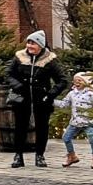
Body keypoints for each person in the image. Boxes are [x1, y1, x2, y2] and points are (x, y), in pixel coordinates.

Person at [7, 29, 68, 169]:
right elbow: (9, 74)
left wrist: (50, 94)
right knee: (20, 127)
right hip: (22, 97)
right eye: (28, 42)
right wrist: (18, 86)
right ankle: (18, 156)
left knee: (42, 127)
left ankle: (40, 155)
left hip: (42, 98)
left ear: (40, 45)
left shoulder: (49, 60)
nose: (29, 46)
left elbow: (62, 80)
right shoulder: (19, 57)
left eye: (33, 43)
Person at [57, 71, 93, 169]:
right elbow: (64, 104)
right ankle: (72, 156)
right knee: (66, 138)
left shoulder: (91, 93)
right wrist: (50, 101)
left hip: (89, 122)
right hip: (75, 122)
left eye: (79, 80)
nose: (77, 82)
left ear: (86, 82)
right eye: (75, 81)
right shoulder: (72, 93)